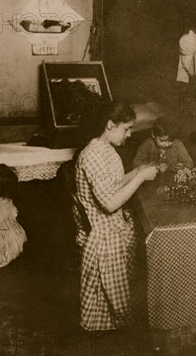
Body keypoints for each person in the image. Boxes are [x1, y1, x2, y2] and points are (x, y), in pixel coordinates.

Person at [75, 101, 159, 331]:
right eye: (127, 128)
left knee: (126, 292)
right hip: (103, 234)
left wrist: (138, 171)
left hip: (116, 228)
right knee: (117, 302)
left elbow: (114, 184)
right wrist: (141, 179)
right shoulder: (92, 155)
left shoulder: (107, 149)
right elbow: (110, 203)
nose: (130, 134)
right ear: (110, 125)